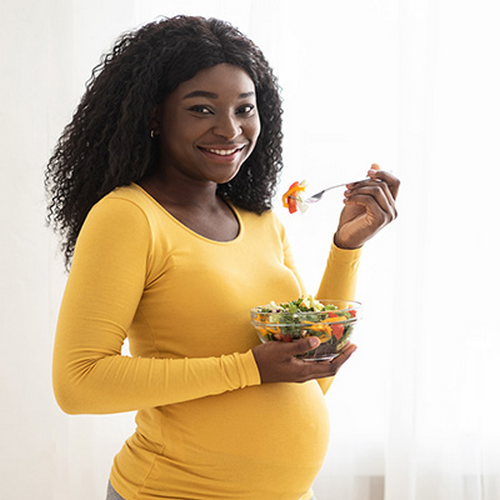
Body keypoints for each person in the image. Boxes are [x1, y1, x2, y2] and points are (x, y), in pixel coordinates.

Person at [46, 15, 399, 500]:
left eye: (244, 108)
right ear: (153, 115)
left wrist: (346, 249)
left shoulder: (260, 219)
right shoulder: (128, 217)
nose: (229, 129)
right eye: (201, 109)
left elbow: (307, 373)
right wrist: (248, 367)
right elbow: (79, 383)